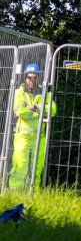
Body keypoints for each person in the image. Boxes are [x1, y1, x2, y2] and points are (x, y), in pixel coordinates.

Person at [8, 62, 55, 191]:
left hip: (39, 137)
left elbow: (53, 109)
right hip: (22, 136)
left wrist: (34, 107)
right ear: (25, 78)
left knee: (37, 167)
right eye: (29, 77)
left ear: (39, 77)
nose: (32, 80)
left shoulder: (45, 92)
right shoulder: (19, 92)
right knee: (20, 165)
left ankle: (33, 195)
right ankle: (15, 194)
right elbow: (19, 110)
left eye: (34, 77)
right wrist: (40, 113)